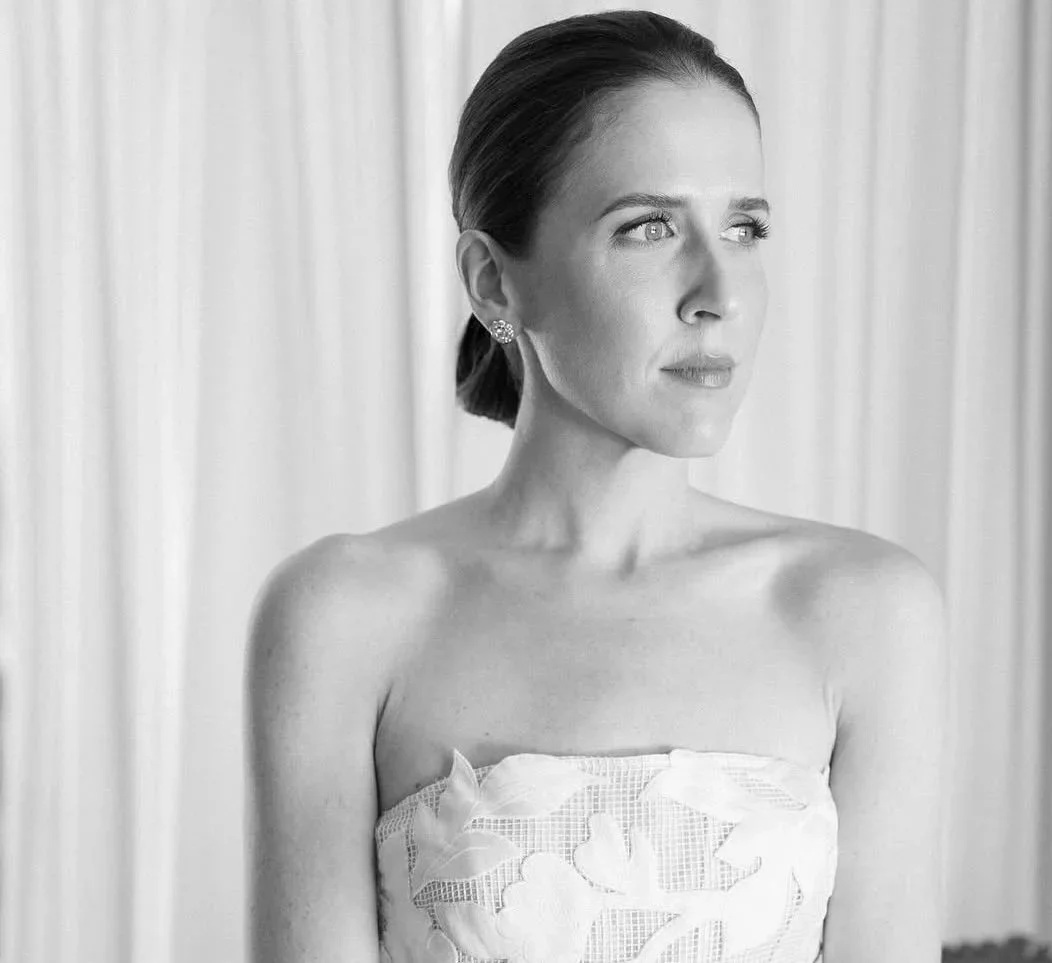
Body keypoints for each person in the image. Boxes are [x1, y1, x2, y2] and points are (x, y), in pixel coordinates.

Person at [244, 9, 947, 963]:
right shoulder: (345, 613)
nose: (718, 291)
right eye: (649, 227)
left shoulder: (865, 612)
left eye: (745, 227)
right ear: (495, 284)